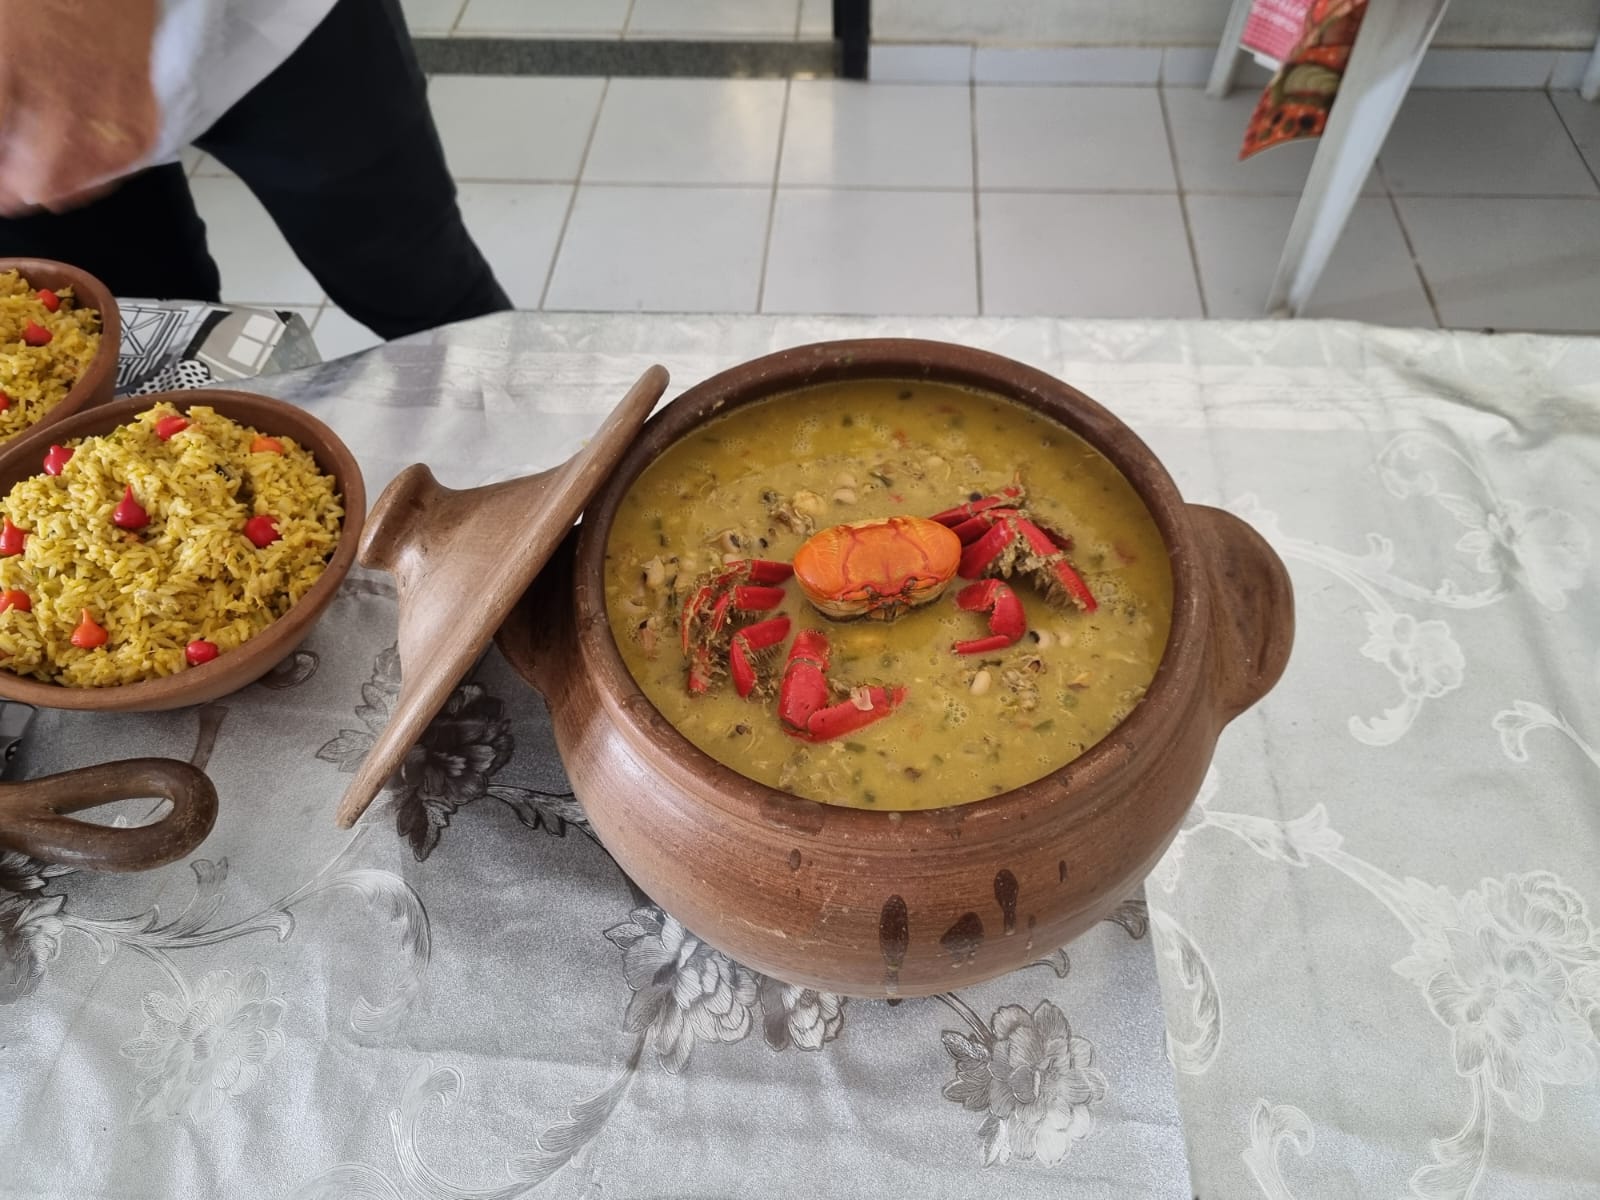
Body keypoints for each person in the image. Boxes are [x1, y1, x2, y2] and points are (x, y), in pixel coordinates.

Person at [0, 0, 510, 338]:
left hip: (276, 22)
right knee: (125, 346)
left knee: (430, 297)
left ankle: (560, 478)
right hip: (21, 111)